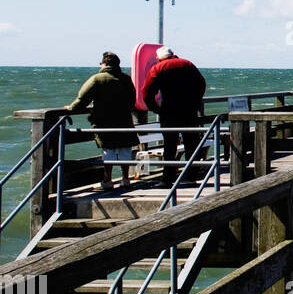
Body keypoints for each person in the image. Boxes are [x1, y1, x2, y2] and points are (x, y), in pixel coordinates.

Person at [64, 51, 138, 190]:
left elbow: (82, 99)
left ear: (104, 63)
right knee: (124, 150)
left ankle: (107, 180)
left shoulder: (97, 79)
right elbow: (132, 100)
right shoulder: (126, 79)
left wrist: (70, 108)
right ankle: (125, 179)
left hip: (104, 121)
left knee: (108, 150)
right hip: (124, 120)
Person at [141, 47, 208, 188]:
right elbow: (201, 84)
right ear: (172, 55)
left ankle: (167, 179)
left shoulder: (158, 68)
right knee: (191, 145)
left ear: (159, 58)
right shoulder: (187, 64)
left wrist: (156, 109)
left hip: (169, 112)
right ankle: (191, 177)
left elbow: (147, 92)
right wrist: (195, 102)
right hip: (189, 111)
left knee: (170, 147)